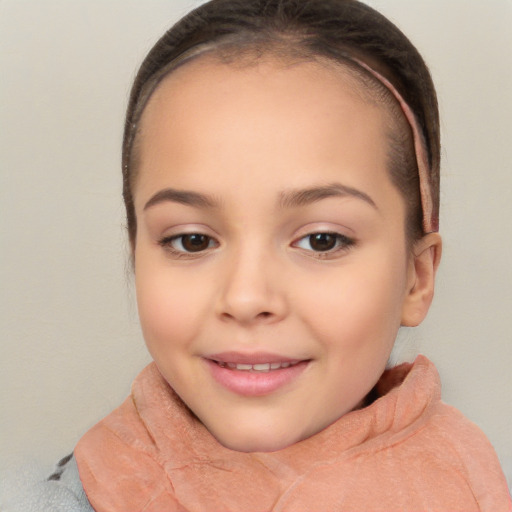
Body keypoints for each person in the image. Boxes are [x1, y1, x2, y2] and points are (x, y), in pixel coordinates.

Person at [2, 0, 510, 510]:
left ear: (416, 279)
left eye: (322, 240)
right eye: (192, 240)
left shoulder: (477, 489)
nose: (246, 298)